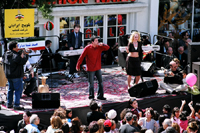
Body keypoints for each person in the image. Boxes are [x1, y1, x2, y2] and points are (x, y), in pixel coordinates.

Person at [76, 36, 109, 100]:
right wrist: (78, 65)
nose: (97, 42)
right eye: (96, 41)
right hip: (91, 68)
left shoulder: (99, 47)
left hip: (98, 67)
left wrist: (103, 44)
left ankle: (100, 96)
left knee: (100, 82)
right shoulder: (87, 48)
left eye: (97, 40)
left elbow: (107, 47)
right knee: (91, 83)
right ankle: (91, 96)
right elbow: (81, 57)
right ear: (92, 42)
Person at [2, 41, 28, 110]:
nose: (18, 48)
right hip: (16, 76)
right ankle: (16, 105)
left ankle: (9, 103)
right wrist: (25, 55)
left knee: (10, 89)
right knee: (18, 90)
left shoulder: (5, 54)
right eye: (16, 46)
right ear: (13, 48)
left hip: (9, 75)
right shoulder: (15, 56)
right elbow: (22, 62)